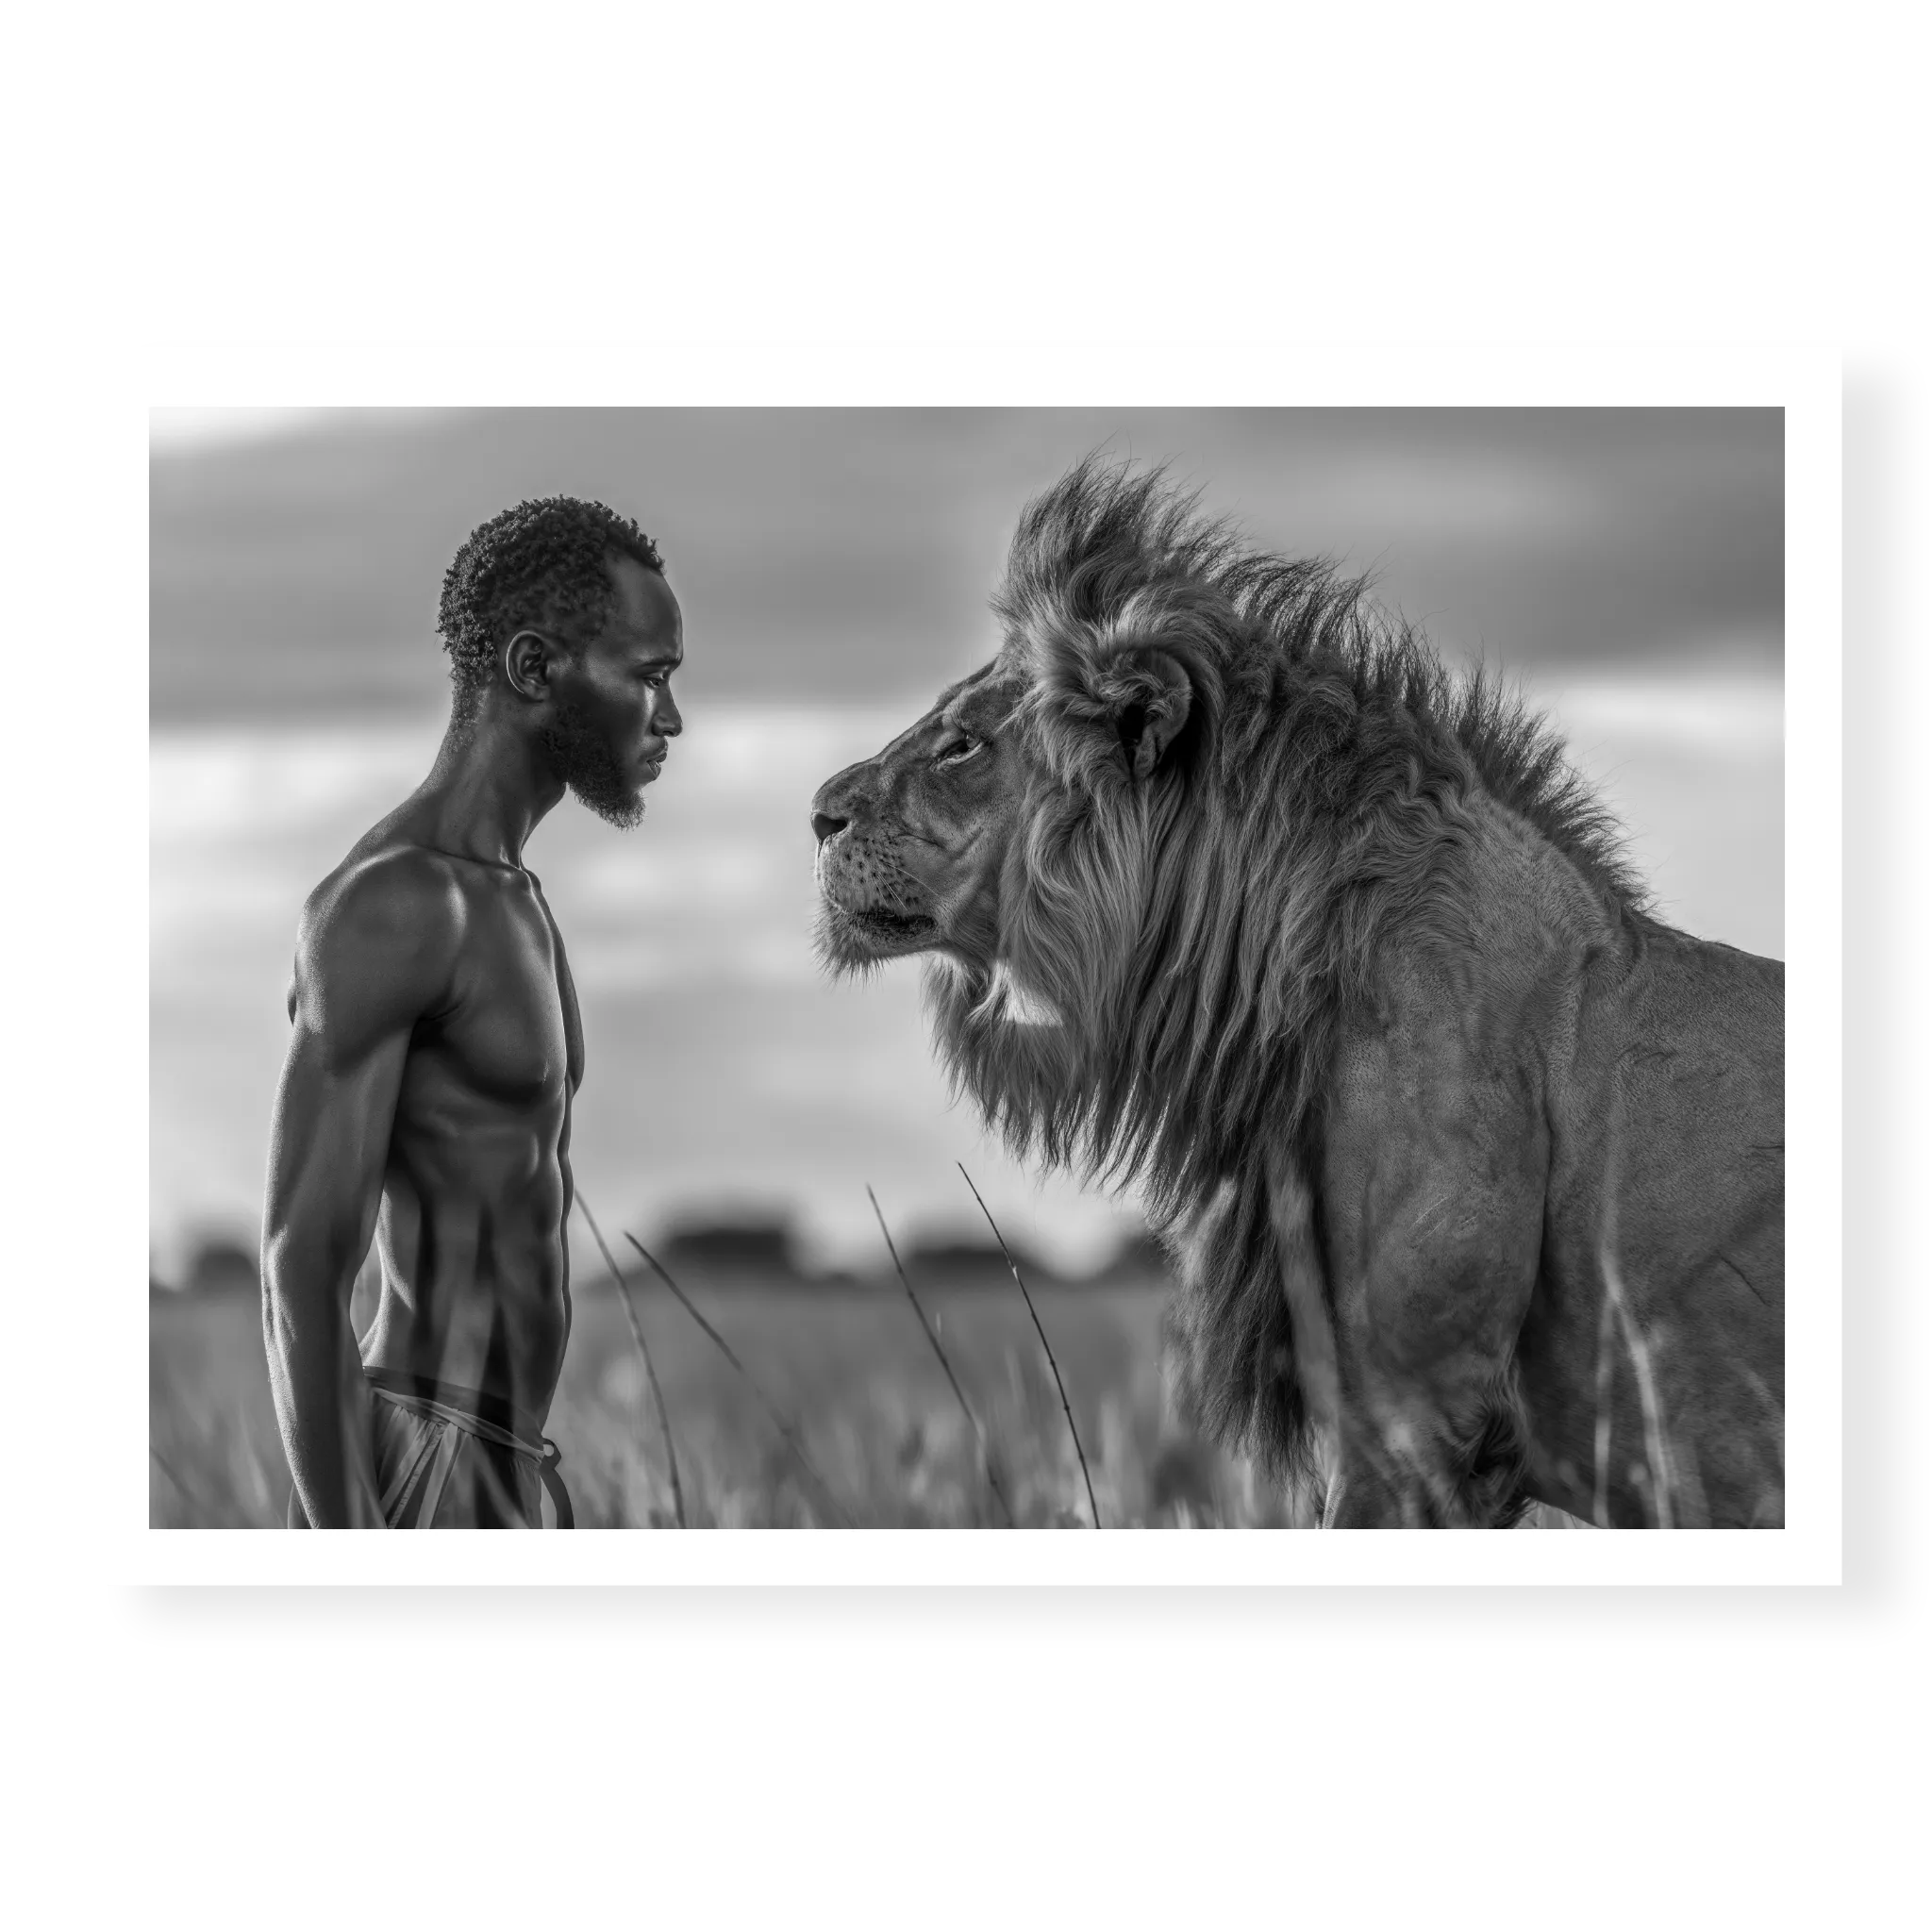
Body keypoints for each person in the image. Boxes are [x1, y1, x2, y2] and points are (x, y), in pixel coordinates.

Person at [261, 497, 684, 1526]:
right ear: (534, 668)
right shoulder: (398, 903)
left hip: (505, 1458)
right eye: (649, 676)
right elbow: (301, 1265)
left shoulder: (516, 898)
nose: (670, 718)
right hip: (422, 1454)